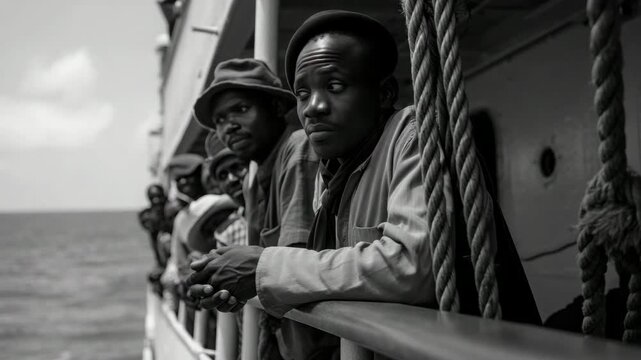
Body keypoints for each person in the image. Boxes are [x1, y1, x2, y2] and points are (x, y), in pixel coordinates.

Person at [188, 9, 540, 336]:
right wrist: (244, 283)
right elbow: (328, 271)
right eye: (303, 93)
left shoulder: (417, 136)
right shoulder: (334, 171)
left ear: (384, 93)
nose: (313, 108)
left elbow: (411, 267)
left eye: (335, 86)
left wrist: (262, 270)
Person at [191, 58, 331, 359]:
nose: (228, 126)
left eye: (241, 109)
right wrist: (218, 280)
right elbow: (259, 267)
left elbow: (291, 265)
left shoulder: (298, 150)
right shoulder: (253, 181)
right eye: (219, 120)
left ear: (276, 107)